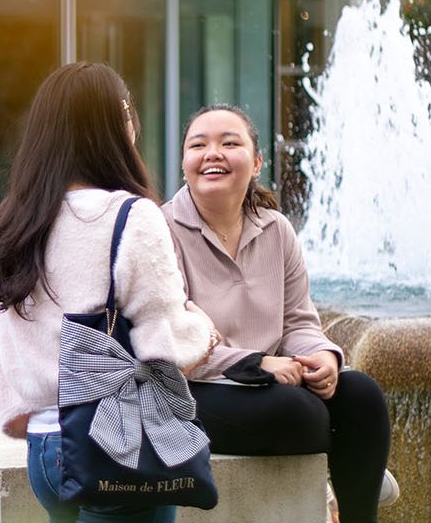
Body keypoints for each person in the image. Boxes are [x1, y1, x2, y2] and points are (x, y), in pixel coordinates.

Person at [0, 62, 220, 523]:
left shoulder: (10, 226)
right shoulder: (130, 215)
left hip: (45, 451)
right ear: (113, 126)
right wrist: (204, 331)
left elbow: (1, 350)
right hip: (114, 445)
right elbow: (162, 349)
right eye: (127, 110)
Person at [161, 104, 394, 523]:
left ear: (255, 163)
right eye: (199, 145)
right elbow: (172, 338)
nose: (212, 153)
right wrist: (257, 364)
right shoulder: (161, 231)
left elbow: (299, 323)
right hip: (191, 390)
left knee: (361, 395)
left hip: (274, 385)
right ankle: (356, 464)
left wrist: (321, 356)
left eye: (229, 143)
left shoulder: (277, 230)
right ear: (185, 164)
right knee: (296, 412)